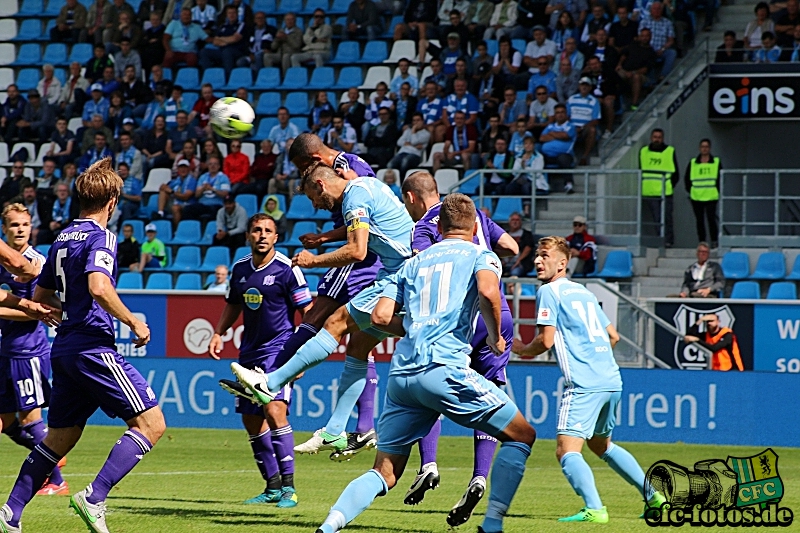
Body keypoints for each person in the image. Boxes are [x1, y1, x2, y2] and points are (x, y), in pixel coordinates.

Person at [314, 193, 536, 533]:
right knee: (521, 435)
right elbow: (490, 293)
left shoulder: (414, 262)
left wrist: (416, 325)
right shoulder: (482, 254)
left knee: (385, 472)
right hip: (444, 368)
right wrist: (494, 337)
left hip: (403, 376)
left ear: (440, 226)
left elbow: (380, 315)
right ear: (476, 225)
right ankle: (492, 525)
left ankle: (329, 526)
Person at [0, 158, 165, 533]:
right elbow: (99, 286)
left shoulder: (60, 238)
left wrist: (61, 311)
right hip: (93, 347)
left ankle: (11, 512)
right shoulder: (101, 237)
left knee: (62, 436)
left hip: (64, 348)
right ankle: (94, 497)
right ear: (112, 200)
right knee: (151, 423)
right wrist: (133, 320)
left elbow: (42, 295)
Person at [229, 162, 414, 459]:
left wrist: (313, 260)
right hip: (401, 273)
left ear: (320, 185)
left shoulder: (354, 199)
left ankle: (271, 382)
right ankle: (334, 431)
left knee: (335, 322)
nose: (316, 206)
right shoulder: (366, 186)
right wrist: (325, 237)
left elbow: (358, 251)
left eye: (313, 199)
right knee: (357, 347)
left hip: (401, 275)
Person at [513, 236, 664, 523]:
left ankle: (595, 509)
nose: (537, 260)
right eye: (537, 256)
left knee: (566, 451)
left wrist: (520, 349)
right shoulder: (583, 292)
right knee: (601, 446)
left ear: (562, 262)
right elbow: (613, 336)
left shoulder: (549, 292)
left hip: (584, 385)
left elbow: (545, 342)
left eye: (544, 255)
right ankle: (653, 495)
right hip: (611, 381)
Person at [399, 174, 520, 524]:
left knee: (431, 388)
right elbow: (511, 246)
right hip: (499, 314)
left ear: (412, 197)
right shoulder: (475, 214)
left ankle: (429, 464)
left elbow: (427, 267)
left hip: (459, 317)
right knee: (491, 395)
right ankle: (480, 475)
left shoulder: (424, 227)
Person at [211, 214, 313, 507]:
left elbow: (308, 312)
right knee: (252, 420)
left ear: (276, 237)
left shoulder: (287, 270)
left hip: (278, 352)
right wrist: (219, 332)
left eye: (268, 230)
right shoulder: (240, 268)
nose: (262, 235)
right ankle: (272, 486)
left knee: (274, 410)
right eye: (257, 230)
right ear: (248, 236)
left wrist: (300, 356)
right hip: (249, 353)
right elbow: (233, 304)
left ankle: (289, 489)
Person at [0, 204, 67, 496]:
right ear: (4, 229)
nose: (19, 229)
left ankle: (57, 480)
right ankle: (50, 454)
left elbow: (41, 310)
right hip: (5, 352)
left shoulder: (36, 263)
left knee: (30, 419)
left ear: (31, 228)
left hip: (28, 352)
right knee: (5, 421)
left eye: (24, 225)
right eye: (13, 225)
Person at [639, 128, 678, 247]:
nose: (657, 139)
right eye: (655, 137)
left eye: (659, 137)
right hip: (649, 192)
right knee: (656, 220)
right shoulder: (644, 151)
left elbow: (676, 174)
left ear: (663, 138)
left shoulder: (669, 151)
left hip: (665, 192)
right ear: (651, 138)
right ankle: (661, 241)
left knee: (666, 219)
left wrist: (669, 185)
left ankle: (668, 242)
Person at [684, 139, 721, 245]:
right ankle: (702, 242)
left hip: (711, 196)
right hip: (696, 196)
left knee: (711, 220)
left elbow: (720, 178)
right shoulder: (693, 163)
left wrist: (717, 190)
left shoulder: (716, 162)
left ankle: (714, 241)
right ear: (699, 148)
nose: (704, 149)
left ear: (709, 148)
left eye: (706, 146)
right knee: (699, 221)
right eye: (702, 146)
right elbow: (687, 178)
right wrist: (691, 191)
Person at [199, 4, 246, 76]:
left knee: (227, 51)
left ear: (237, 14)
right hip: (222, 50)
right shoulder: (223, 26)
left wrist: (222, 40)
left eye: (233, 13)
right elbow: (215, 41)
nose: (231, 15)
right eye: (229, 13)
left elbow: (235, 38)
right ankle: (209, 75)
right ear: (226, 15)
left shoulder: (241, 25)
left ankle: (228, 78)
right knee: (204, 51)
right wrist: (227, 41)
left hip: (237, 51)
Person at [538, 104, 576, 193]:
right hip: (548, 156)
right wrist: (558, 135)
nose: (560, 114)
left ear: (566, 114)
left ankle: (568, 184)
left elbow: (565, 136)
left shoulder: (570, 126)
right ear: (554, 115)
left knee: (563, 158)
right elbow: (542, 138)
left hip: (565, 155)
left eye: (562, 112)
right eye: (557, 112)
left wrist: (551, 134)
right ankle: (542, 185)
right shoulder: (550, 126)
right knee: (538, 157)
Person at [616, 28, 657, 110]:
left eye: (647, 36)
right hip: (625, 70)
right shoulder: (633, 44)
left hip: (640, 75)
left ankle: (634, 104)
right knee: (614, 73)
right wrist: (619, 64)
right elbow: (624, 55)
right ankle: (618, 104)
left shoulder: (651, 52)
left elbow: (646, 69)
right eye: (642, 36)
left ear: (650, 37)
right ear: (639, 37)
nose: (644, 38)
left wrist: (633, 72)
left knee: (636, 77)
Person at [182, 156, 231, 220]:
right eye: (210, 164)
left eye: (215, 164)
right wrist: (203, 188)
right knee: (188, 209)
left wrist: (213, 189)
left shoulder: (223, 177)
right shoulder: (203, 177)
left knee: (215, 211)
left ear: (219, 166)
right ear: (208, 166)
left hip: (217, 204)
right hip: (203, 204)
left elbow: (225, 194)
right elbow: (197, 195)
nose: (212, 166)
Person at [567, 78, 601, 165]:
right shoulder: (571, 99)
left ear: (590, 87)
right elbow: (566, 116)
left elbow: (596, 120)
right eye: (582, 85)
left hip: (585, 128)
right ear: (579, 86)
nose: (584, 87)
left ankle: (584, 156)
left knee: (592, 130)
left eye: (586, 85)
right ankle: (569, 156)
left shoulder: (594, 101)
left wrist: (582, 128)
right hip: (572, 126)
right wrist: (573, 128)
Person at [389, 113, 430, 179]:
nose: (416, 123)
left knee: (405, 162)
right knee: (390, 164)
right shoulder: (407, 131)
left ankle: (402, 182)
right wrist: (413, 144)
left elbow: (414, 141)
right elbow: (399, 142)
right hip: (402, 153)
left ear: (422, 121)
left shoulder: (426, 134)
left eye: (418, 120)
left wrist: (413, 131)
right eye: (414, 120)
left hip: (415, 155)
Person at [157, 158, 197, 225]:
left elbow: (186, 197)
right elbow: (164, 188)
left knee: (175, 208)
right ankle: (160, 213)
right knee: (163, 192)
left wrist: (171, 191)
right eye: (181, 168)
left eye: (185, 167)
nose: (183, 170)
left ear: (188, 169)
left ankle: (177, 230)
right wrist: (163, 187)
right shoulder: (174, 181)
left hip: (187, 204)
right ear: (178, 169)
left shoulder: (192, 181)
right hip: (175, 201)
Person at [502, 211, 535, 276]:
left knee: (515, 273)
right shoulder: (504, 234)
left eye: (517, 220)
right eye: (513, 220)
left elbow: (528, 248)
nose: (515, 222)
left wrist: (518, 260)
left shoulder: (527, 234)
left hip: (520, 264)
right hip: (504, 264)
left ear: (521, 222)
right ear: (509, 222)